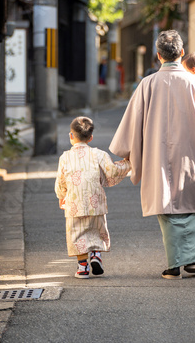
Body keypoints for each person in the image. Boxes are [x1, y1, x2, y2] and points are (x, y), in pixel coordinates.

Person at [109, 30, 195, 279]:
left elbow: (132, 122)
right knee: (192, 204)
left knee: (167, 205)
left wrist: (128, 152)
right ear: (182, 53)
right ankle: (192, 260)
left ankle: (175, 265)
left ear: (158, 56)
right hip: (191, 152)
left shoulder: (147, 84)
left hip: (156, 152)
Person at [55, 116, 131, 279]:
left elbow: (61, 182)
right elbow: (112, 172)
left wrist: (62, 196)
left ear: (71, 136)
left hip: (74, 203)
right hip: (95, 201)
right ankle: (96, 255)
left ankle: (82, 267)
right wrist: (127, 163)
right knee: (96, 230)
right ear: (91, 138)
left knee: (77, 234)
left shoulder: (65, 157)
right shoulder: (99, 154)